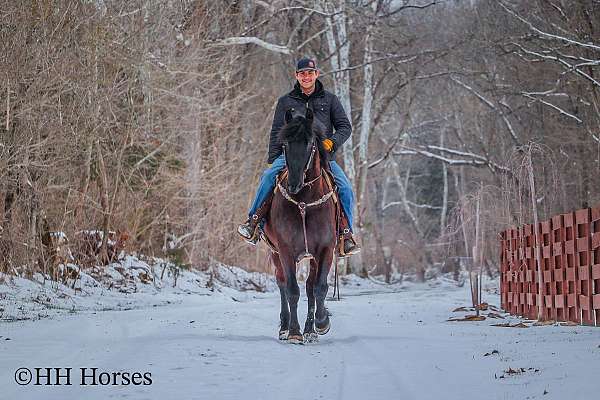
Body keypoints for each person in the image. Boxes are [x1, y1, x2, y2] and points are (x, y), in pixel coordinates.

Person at [237, 57, 360, 257]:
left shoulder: (330, 100)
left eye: (310, 73)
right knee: (267, 178)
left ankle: (346, 235)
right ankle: (254, 223)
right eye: (302, 73)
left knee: (345, 187)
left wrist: (332, 142)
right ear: (297, 76)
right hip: (290, 156)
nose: (306, 77)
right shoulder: (285, 101)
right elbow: (277, 130)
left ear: (316, 74)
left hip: (322, 158)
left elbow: (345, 127)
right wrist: (274, 159)